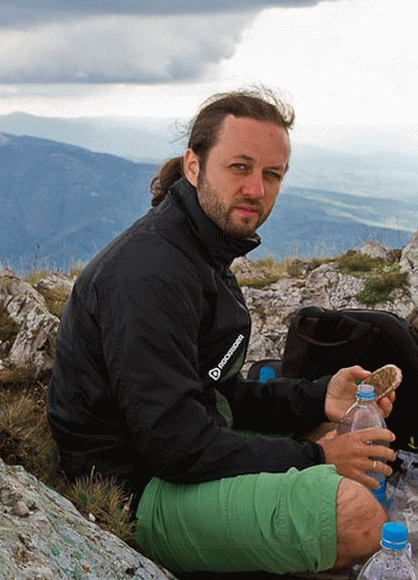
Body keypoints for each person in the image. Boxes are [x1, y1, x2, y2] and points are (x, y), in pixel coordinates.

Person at [46, 88, 398, 575]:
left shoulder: (202, 252)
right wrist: (317, 457)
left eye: (272, 174)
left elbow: (218, 396)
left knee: (344, 430)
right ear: (194, 166)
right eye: (240, 167)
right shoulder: (148, 274)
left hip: (180, 453)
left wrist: (320, 399)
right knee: (357, 518)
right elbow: (174, 443)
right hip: (136, 489)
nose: (257, 188)